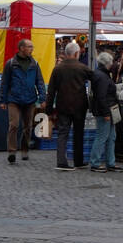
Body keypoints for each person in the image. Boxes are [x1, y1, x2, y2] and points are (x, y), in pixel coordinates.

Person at [45, 40, 92, 171]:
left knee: (62, 133)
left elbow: (51, 91)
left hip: (63, 105)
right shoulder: (82, 68)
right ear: (77, 53)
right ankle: (78, 161)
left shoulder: (57, 68)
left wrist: (48, 109)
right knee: (78, 133)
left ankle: (61, 161)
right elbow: (95, 79)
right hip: (79, 106)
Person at [0, 38, 46, 165]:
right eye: (29, 47)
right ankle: (12, 151)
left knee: (28, 127)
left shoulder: (34, 64)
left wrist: (42, 98)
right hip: (14, 99)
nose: (32, 49)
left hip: (30, 99)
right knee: (14, 124)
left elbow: (40, 82)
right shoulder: (10, 64)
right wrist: (2, 100)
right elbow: (5, 83)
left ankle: (25, 149)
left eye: (32, 47)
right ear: (21, 48)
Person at [88, 51, 123, 174]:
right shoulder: (103, 76)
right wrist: (106, 113)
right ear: (108, 63)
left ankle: (109, 163)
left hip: (107, 109)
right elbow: (101, 96)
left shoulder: (100, 74)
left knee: (110, 137)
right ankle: (96, 163)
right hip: (107, 110)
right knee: (103, 137)